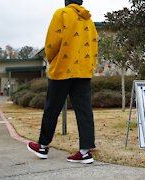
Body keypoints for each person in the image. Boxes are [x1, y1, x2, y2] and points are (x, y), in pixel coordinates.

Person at [27, 0, 98, 164]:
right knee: (85, 111)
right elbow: (94, 46)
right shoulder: (89, 20)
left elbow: (52, 42)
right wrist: (90, 67)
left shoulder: (62, 14)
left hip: (63, 69)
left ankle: (43, 146)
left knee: (52, 107)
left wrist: (51, 59)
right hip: (83, 71)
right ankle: (85, 152)